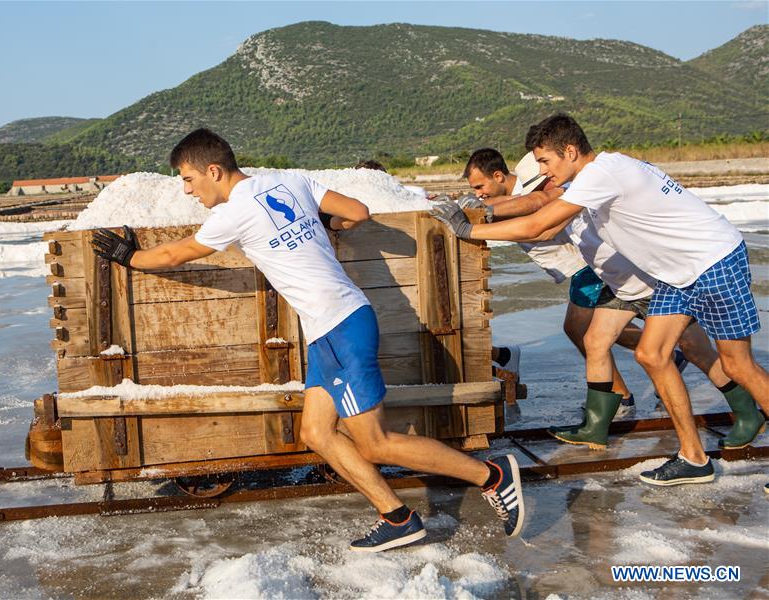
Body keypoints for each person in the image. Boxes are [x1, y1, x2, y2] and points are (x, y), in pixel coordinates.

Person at [92, 128, 526, 550]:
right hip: (330, 330)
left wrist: (127, 256)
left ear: (213, 171)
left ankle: (491, 476)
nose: (187, 190)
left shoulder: (233, 213)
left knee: (375, 442)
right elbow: (358, 211)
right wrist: (323, 222)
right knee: (317, 432)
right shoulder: (289, 181)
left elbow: (173, 254)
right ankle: (397, 517)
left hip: (340, 327)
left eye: (188, 179)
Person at [433, 114, 767, 485]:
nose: (542, 170)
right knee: (651, 354)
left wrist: (467, 228)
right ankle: (694, 458)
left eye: (545, 161)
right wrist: (483, 216)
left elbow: (538, 223)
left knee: (738, 365)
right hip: (677, 274)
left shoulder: (600, 174)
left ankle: (740, 419)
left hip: (713, 259)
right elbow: (543, 223)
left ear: (570, 151)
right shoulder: (595, 175)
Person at [455, 148, 641, 412]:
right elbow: (512, 203)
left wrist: (478, 214)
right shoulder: (515, 195)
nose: (478, 194)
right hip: (584, 267)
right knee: (610, 329)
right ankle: (668, 353)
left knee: (580, 330)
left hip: (587, 266)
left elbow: (533, 202)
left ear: (498, 176)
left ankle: (621, 395)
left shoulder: (532, 190)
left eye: (479, 187)